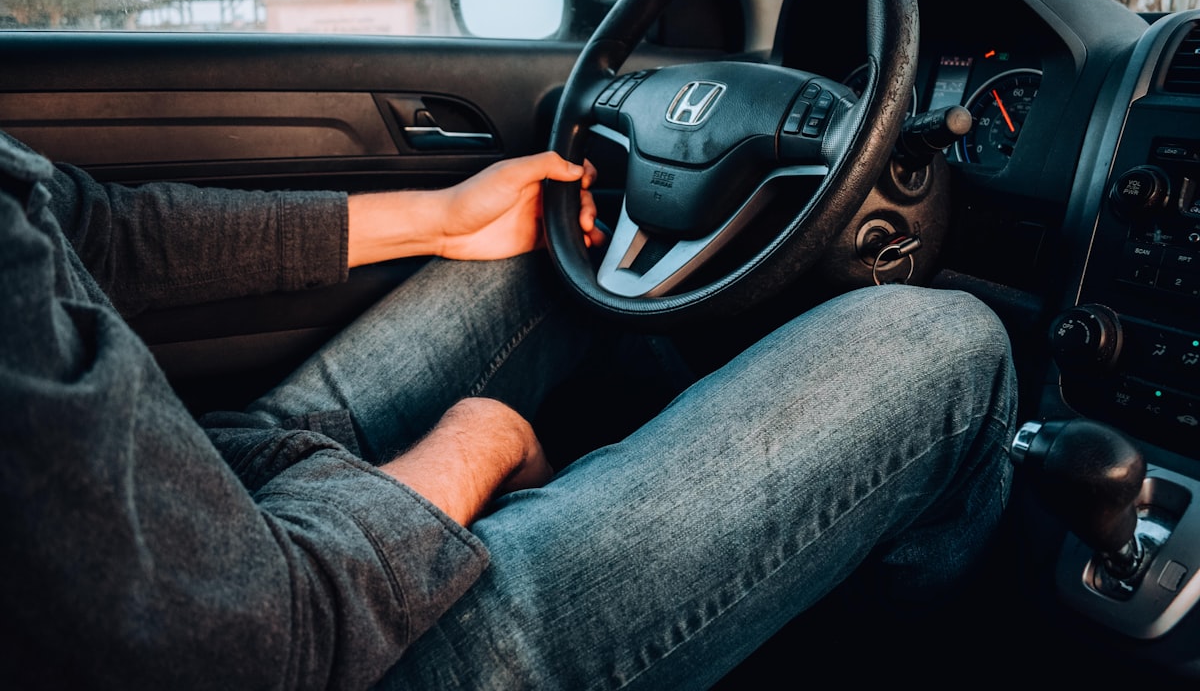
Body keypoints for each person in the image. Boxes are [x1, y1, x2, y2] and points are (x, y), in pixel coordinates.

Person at [0, 127, 1017, 690]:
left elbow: (89, 229)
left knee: (551, 249)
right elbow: (264, 643)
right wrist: (479, 441)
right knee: (944, 346)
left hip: (215, 490)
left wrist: (444, 217)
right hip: (320, 645)